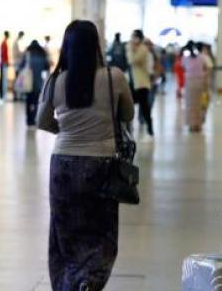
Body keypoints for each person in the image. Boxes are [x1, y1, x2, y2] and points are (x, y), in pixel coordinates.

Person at [36, 20, 134, 291]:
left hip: (63, 164)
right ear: (96, 46)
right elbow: (128, 115)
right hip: (101, 163)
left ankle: (68, 283)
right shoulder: (114, 77)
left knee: (64, 232)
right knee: (102, 231)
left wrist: (65, 130)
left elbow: (42, 121)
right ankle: (89, 280)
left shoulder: (55, 80)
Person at [127, 29, 154, 143]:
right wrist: (130, 48)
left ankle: (150, 131)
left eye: (135, 37)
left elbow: (133, 60)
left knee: (144, 108)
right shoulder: (133, 48)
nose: (133, 39)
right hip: (134, 82)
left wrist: (131, 49)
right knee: (129, 106)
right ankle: (129, 130)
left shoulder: (143, 49)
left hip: (142, 83)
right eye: (132, 37)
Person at [19, 40, 50, 127]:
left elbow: (21, 66)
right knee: (36, 101)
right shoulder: (42, 56)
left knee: (28, 101)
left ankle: (28, 120)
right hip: (38, 83)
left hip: (28, 84)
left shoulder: (27, 55)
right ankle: (34, 119)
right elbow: (46, 67)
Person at [182, 42, 211, 132]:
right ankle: (198, 125)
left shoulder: (185, 58)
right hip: (200, 82)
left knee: (190, 105)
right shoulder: (202, 57)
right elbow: (208, 68)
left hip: (189, 82)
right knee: (199, 104)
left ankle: (191, 125)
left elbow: (184, 68)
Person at [0, 31, 10, 102]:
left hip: (4, 63)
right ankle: (2, 96)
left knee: (4, 80)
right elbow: (3, 54)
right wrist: (5, 62)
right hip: (3, 63)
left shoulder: (4, 43)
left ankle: (3, 95)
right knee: (3, 81)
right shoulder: (4, 43)